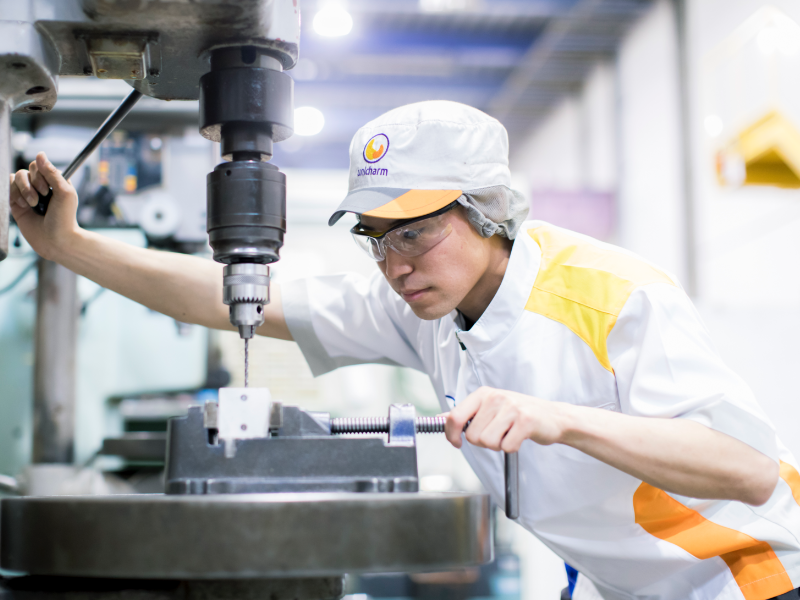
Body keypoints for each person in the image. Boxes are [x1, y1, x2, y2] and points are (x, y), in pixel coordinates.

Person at [9, 101, 800, 600]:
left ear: (489, 210)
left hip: (751, 582)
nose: (394, 265)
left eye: (415, 233)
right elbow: (236, 297)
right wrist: (69, 247)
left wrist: (557, 418)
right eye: (376, 238)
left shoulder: (613, 296)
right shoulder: (425, 309)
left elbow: (748, 468)